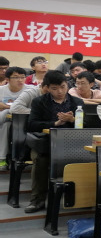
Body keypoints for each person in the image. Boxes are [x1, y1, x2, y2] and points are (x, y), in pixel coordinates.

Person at [26, 71, 84, 212]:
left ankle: (80, 199)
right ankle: (38, 200)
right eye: (54, 88)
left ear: (67, 85)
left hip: (71, 144)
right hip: (46, 144)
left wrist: (73, 120)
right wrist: (54, 123)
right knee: (40, 160)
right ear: (47, 88)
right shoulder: (39, 102)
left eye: (63, 87)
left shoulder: (77, 102)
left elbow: (86, 125)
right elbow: (31, 124)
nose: (60, 91)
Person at [0, 66, 32, 169]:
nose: (20, 80)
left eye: (22, 77)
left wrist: (7, 107)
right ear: (7, 79)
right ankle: (2, 159)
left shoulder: (30, 90)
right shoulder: (1, 90)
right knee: (5, 126)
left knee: (6, 112)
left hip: (24, 120)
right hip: (7, 121)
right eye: (16, 77)